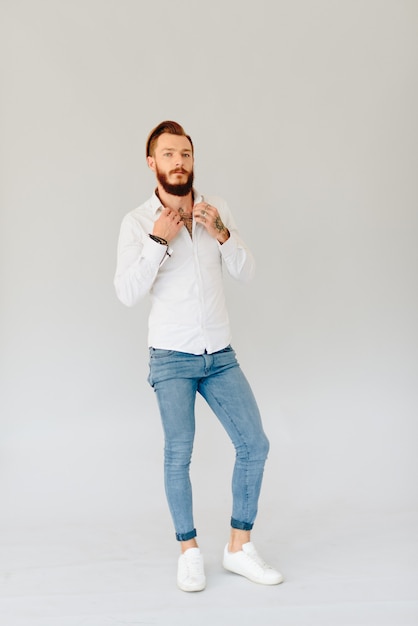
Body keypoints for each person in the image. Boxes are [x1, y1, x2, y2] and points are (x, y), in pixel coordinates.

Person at [114, 121, 283, 592]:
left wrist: (223, 233)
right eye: (168, 154)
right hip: (171, 357)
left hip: (220, 354)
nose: (179, 162)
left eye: (185, 153)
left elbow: (247, 272)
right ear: (152, 163)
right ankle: (188, 551)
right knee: (178, 454)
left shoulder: (216, 209)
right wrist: (156, 242)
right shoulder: (136, 223)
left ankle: (238, 547)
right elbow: (126, 292)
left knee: (255, 444)